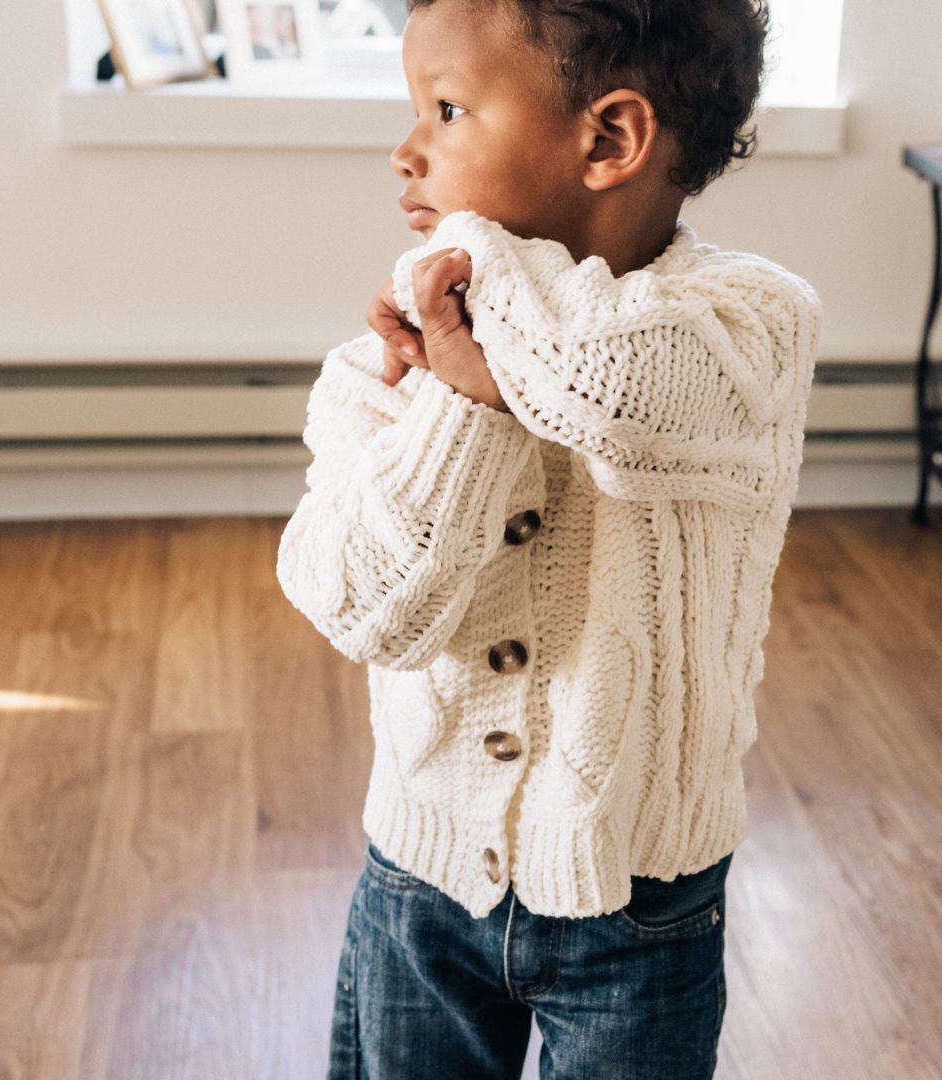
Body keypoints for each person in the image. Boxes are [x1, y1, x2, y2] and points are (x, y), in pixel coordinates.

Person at [276, 0, 820, 1076]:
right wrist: (461, 412)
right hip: (420, 887)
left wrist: (476, 307)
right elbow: (362, 606)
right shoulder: (389, 365)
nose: (406, 150)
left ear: (610, 139)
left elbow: (608, 385)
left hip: (644, 904)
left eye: (447, 109)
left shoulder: (749, 324)